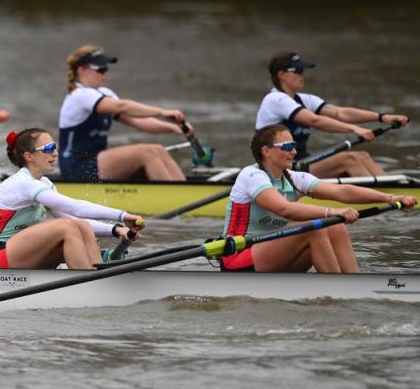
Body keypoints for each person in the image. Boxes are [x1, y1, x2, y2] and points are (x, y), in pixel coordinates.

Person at [219, 125, 416, 273]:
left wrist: (390, 197)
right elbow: (284, 210)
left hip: (273, 254)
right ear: (266, 151)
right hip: (238, 256)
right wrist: (332, 211)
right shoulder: (251, 176)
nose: (294, 152)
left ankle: (353, 283)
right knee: (315, 228)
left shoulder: (293, 178)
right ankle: (337, 289)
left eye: (294, 146)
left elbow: (342, 192)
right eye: (287, 146)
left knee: (336, 226)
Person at [0, 127, 144, 270]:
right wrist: (122, 216)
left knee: (80, 225)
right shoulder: (24, 183)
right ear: (29, 156)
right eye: (47, 149)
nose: (55, 153)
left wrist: (116, 230)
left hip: (13, 252)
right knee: (67, 228)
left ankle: (95, 268)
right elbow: (75, 207)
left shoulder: (44, 183)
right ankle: (89, 283)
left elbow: (73, 217)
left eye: (54, 147)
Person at [256, 51, 410, 177]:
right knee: (349, 159)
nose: (303, 75)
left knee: (362, 156)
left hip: (300, 163)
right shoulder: (275, 99)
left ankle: (395, 193)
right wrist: (354, 129)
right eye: (297, 71)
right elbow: (314, 120)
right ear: (281, 75)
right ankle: (388, 199)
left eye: (303, 71)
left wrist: (383, 117)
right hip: (278, 169)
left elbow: (340, 113)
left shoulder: (304, 99)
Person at [59, 45, 192, 182]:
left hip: (97, 161)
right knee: (147, 152)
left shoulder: (105, 94)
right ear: (82, 70)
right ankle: (169, 198)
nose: (104, 74)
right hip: (76, 167)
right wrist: (161, 112)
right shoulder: (79, 95)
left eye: (106, 69)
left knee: (158, 149)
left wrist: (175, 128)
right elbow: (122, 106)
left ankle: (186, 194)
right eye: (100, 69)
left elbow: (140, 122)